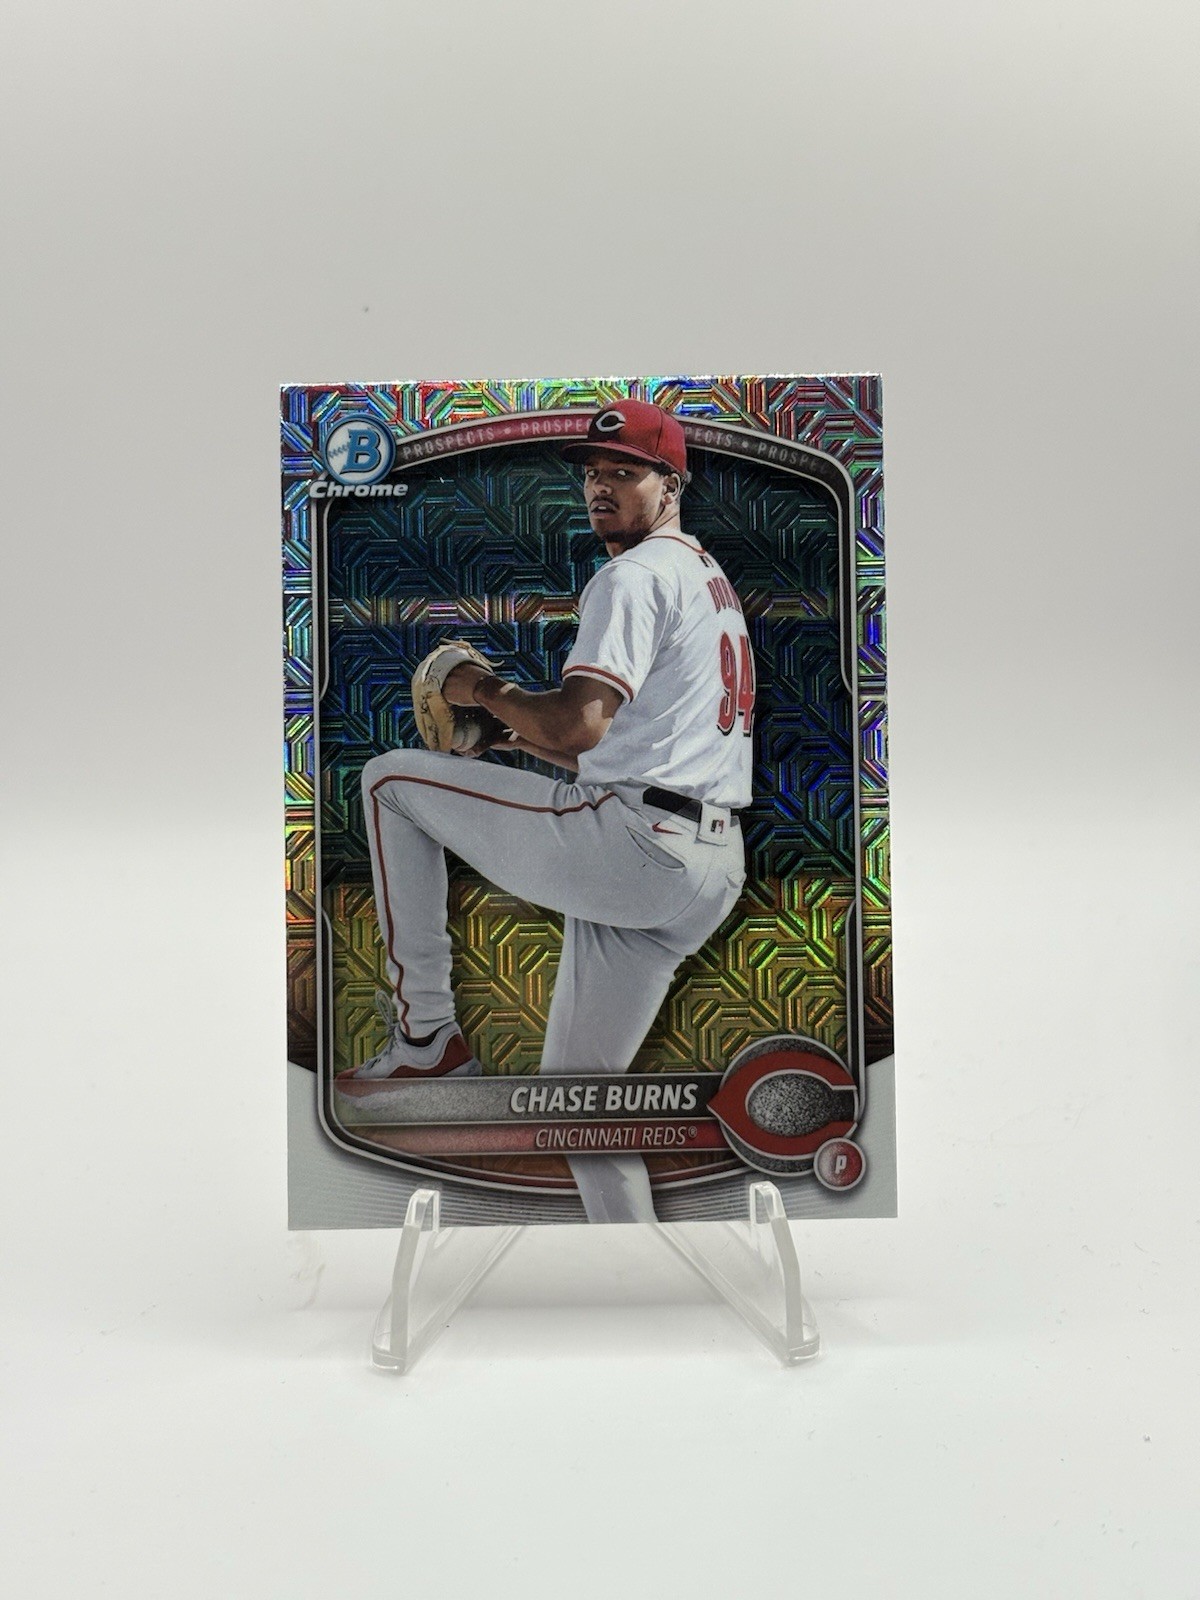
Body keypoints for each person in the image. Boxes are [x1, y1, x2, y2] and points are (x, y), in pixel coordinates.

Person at [339, 399, 755, 1223]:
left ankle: (426, 1038)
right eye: (594, 474)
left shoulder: (632, 576)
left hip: (636, 846)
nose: (602, 487)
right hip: (705, 864)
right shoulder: (706, 579)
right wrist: (509, 737)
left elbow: (577, 724)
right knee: (578, 1108)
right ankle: (639, 1267)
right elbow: (621, 752)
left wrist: (482, 687)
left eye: (625, 472)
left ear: (671, 485)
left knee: (389, 782)